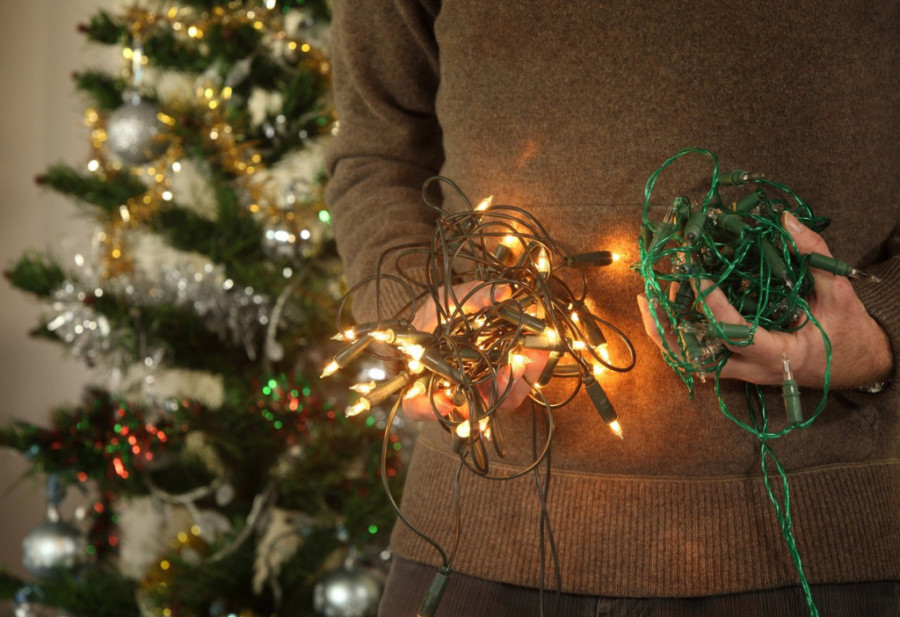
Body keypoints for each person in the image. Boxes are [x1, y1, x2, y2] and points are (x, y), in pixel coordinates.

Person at [324, 2, 899, 615]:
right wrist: (420, 313)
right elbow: (376, 151)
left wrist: (879, 331)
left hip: (826, 536)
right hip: (480, 533)